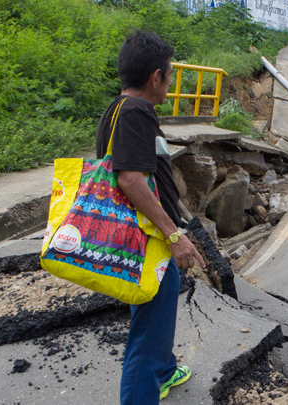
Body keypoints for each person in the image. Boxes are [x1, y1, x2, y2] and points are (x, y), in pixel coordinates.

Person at [95, 30, 205, 405]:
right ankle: (147, 382)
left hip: (137, 240)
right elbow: (129, 178)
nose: (171, 83)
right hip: (148, 242)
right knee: (146, 332)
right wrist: (173, 235)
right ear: (155, 77)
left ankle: (163, 370)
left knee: (156, 315)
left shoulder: (118, 110)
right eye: (170, 75)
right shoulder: (137, 113)